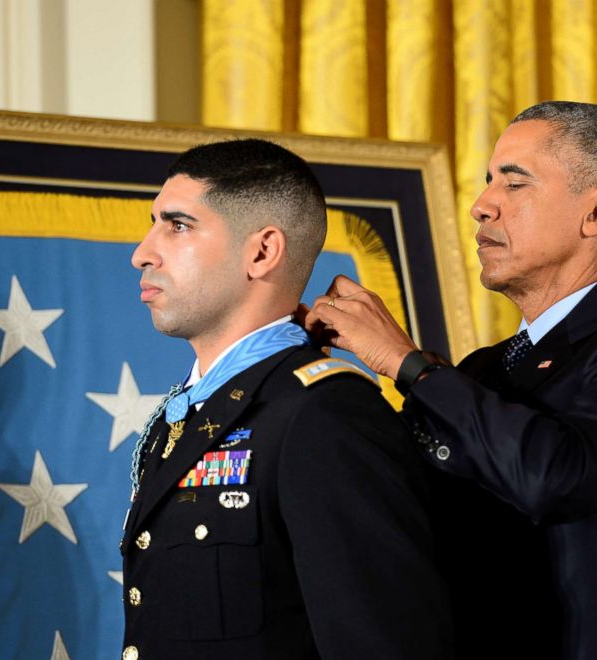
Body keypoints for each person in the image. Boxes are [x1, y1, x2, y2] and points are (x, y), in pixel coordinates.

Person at [304, 101, 597, 658]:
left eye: (514, 185)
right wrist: (284, 362)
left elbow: (558, 474)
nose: (480, 207)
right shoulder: (482, 371)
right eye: (488, 183)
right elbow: (386, 500)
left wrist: (405, 361)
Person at [120, 138, 452, 660]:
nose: (143, 251)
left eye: (177, 225)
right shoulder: (186, 414)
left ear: (262, 251)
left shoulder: (325, 414)